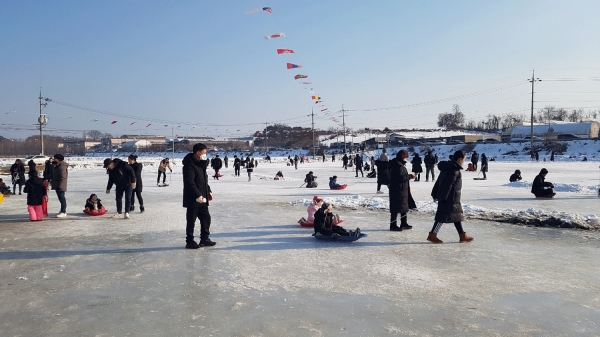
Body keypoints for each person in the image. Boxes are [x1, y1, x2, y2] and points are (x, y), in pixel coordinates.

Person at [427, 150, 474, 244]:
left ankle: (462, 235)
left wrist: (435, 193)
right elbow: (448, 185)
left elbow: (438, 182)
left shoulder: (448, 168)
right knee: (442, 217)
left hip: (452, 198)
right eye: (464, 159)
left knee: (456, 217)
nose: (464, 161)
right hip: (449, 198)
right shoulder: (454, 170)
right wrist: (442, 197)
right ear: (460, 159)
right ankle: (432, 235)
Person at [182, 143, 215, 249]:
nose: (205, 155)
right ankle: (190, 241)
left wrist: (208, 191)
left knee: (206, 218)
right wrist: (198, 195)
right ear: (198, 153)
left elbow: (204, 180)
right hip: (193, 198)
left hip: (203, 198)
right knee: (191, 220)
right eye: (204, 153)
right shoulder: (189, 165)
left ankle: (204, 238)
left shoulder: (201, 164)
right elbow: (189, 182)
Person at [388, 150, 416, 231]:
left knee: (404, 206)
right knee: (396, 207)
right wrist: (411, 176)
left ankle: (404, 223)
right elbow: (401, 178)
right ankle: (393, 225)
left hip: (401, 189)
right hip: (398, 189)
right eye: (405, 157)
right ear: (402, 157)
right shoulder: (398, 166)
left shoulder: (398, 164)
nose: (406, 159)